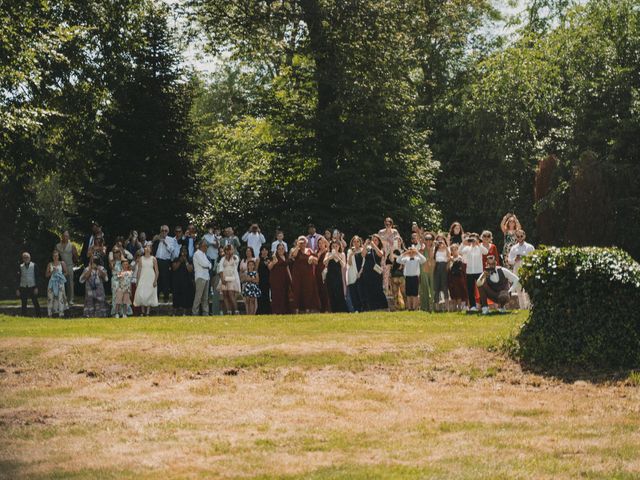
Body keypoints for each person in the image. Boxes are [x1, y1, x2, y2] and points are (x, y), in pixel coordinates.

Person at [289, 236, 320, 313]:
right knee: (297, 290)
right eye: (301, 242)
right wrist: (297, 246)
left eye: (304, 242)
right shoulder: (294, 249)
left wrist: (312, 258)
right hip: (297, 274)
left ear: (307, 243)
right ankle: (296, 309)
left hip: (308, 274)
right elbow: (293, 256)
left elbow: (316, 261)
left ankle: (307, 308)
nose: (303, 244)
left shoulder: (309, 250)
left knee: (308, 290)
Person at [460, 233, 489, 312]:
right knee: (470, 290)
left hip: (479, 271)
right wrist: (464, 242)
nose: (473, 241)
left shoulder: (479, 247)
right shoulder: (467, 248)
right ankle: (472, 306)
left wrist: (478, 244)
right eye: (471, 239)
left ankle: (484, 306)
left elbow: (486, 252)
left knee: (482, 289)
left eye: (474, 239)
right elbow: (460, 251)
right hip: (469, 272)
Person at [360, 235, 388, 311]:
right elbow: (363, 255)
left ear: (379, 242)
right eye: (373, 240)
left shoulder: (380, 249)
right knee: (368, 289)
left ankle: (383, 306)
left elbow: (380, 254)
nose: (374, 241)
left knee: (378, 289)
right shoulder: (368, 249)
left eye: (376, 240)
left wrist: (374, 246)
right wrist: (365, 244)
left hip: (376, 272)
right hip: (367, 272)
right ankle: (371, 307)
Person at [508, 229, 535, 309]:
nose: (519, 237)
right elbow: (509, 260)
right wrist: (515, 259)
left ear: (524, 236)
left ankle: (529, 306)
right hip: (516, 269)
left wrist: (524, 257)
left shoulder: (530, 247)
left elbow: (533, 258)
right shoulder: (513, 248)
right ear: (516, 237)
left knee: (527, 289)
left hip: (527, 269)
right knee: (519, 289)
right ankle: (522, 307)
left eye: (521, 236)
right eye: (518, 236)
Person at [152, 225, 177, 302]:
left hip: (165, 261)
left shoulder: (171, 239)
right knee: (157, 278)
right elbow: (152, 247)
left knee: (165, 279)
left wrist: (165, 242)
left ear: (168, 232)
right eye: (162, 230)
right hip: (157, 260)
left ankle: (166, 297)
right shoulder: (157, 238)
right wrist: (155, 240)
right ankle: (156, 295)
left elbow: (172, 250)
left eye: (165, 231)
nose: (164, 232)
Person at [133, 243, 159, 316]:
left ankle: (147, 311)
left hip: (150, 277)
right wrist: (137, 280)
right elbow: (139, 270)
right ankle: (142, 311)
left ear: (150, 250)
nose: (146, 249)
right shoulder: (141, 258)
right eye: (145, 247)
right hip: (143, 277)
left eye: (148, 247)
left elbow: (157, 271)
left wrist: (155, 280)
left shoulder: (153, 258)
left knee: (149, 293)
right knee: (142, 293)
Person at [398, 246, 427, 311]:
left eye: (412, 251)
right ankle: (409, 308)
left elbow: (424, 259)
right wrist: (405, 253)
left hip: (415, 277)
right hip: (408, 277)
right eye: (410, 251)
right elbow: (398, 260)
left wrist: (417, 252)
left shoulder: (417, 258)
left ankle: (414, 307)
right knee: (408, 293)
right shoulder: (406, 258)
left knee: (415, 293)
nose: (411, 252)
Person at [378, 217, 402, 295]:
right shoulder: (381, 232)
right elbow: (378, 242)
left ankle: (394, 295)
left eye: (389, 223)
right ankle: (385, 294)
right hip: (384, 255)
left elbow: (399, 242)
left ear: (392, 224)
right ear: (384, 223)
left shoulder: (395, 232)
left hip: (393, 255)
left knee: (393, 275)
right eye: (386, 223)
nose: (388, 225)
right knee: (385, 275)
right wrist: (387, 240)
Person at [324, 240, 348, 312]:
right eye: (333, 246)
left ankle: (341, 310)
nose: (334, 248)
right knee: (331, 293)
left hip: (338, 276)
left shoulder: (342, 254)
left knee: (339, 293)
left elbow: (344, 265)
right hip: (330, 276)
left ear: (339, 246)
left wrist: (337, 257)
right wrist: (331, 257)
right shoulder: (328, 254)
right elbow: (325, 263)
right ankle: (333, 310)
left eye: (336, 246)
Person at [55, 231, 78, 305]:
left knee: (70, 283)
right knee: (60, 283)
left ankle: (71, 299)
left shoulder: (72, 245)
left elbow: (76, 256)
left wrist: (74, 263)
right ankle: (61, 299)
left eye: (67, 236)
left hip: (69, 265)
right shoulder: (58, 245)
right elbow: (55, 255)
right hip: (60, 266)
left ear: (69, 237)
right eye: (64, 236)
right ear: (61, 236)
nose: (65, 237)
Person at [218, 244, 241, 315]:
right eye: (227, 250)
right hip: (224, 278)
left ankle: (236, 311)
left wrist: (231, 255)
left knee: (231, 294)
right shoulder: (222, 259)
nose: (228, 251)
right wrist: (222, 279)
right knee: (225, 294)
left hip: (232, 278)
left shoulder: (235, 257)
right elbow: (220, 268)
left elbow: (236, 261)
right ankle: (229, 311)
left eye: (230, 249)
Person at [268, 243, 291, 314]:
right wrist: (274, 262)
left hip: (285, 278)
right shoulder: (274, 257)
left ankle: (284, 311)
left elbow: (287, 268)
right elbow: (269, 267)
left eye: (282, 249)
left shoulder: (286, 257)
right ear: (277, 250)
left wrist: (291, 278)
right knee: (277, 295)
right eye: (279, 249)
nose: (281, 250)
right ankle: (276, 311)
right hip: (276, 279)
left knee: (284, 294)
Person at [17, 252, 41, 317]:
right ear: (23, 259)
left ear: (30, 258)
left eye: (27, 257)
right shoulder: (20, 266)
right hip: (23, 286)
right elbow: (18, 278)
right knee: (24, 302)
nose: (26, 259)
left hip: (32, 286)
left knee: (35, 301)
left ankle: (38, 315)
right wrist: (18, 289)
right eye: (24, 257)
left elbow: (37, 277)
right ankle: (24, 315)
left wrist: (36, 287)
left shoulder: (34, 265)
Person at [109, 247, 131, 316]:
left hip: (123, 280)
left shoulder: (124, 261)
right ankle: (116, 312)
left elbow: (128, 269)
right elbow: (112, 268)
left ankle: (124, 312)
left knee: (124, 296)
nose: (116, 254)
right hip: (115, 280)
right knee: (116, 296)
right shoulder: (112, 261)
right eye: (114, 252)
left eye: (117, 252)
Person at [172, 246, 195, 315]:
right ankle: (174, 312)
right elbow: (174, 268)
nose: (184, 253)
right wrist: (180, 261)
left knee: (186, 297)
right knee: (176, 297)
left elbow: (190, 270)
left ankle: (184, 313)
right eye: (182, 251)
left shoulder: (189, 260)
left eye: (185, 251)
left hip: (187, 282)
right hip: (177, 281)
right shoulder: (176, 259)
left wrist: (186, 261)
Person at [46, 250, 68, 317]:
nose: (55, 257)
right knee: (50, 297)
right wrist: (52, 272)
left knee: (61, 297)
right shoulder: (50, 264)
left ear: (58, 256)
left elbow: (66, 272)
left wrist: (60, 275)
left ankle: (61, 313)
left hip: (60, 282)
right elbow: (46, 275)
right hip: (52, 283)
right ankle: (50, 313)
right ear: (52, 257)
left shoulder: (62, 263)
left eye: (57, 256)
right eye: (54, 256)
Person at [192, 240, 212, 316]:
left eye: (207, 246)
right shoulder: (197, 254)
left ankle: (205, 313)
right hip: (200, 277)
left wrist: (208, 265)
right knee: (198, 297)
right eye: (205, 246)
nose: (206, 247)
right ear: (201, 246)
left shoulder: (204, 254)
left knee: (205, 298)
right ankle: (195, 313)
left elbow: (210, 265)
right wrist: (208, 265)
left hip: (206, 277)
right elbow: (204, 264)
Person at [346, 236, 365, 312]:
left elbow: (364, 262)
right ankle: (356, 309)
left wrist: (360, 272)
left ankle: (363, 308)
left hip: (361, 273)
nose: (356, 243)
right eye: (354, 241)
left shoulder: (363, 250)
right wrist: (351, 254)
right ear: (352, 243)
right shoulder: (350, 251)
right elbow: (349, 263)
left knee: (361, 292)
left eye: (358, 241)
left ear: (360, 242)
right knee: (353, 292)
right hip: (353, 274)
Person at [433, 234, 451, 312]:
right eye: (439, 241)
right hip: (437, 267)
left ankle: (447, 307)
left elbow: (449, 257)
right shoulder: (435, 249)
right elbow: (432, 258)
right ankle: (437, 307)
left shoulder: (447, 249)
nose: (440, 243)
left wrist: (445, 246)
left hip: (444, 267)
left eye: (441, 241)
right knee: (436, 287)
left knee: (445, 287)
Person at [447, 244, 468, 311]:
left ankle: (459, 307)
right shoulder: (449, 258)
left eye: (455, 250)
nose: (454, 251)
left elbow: (459, 265)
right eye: (452, 250)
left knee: (459, 292)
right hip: (451, 277)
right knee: (452, 292)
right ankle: (454, 307)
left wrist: (452, 260)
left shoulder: (460, 258)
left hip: (458, 277)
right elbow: (448, 268)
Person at [419, 232, 436, 312]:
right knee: (424, 288)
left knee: (433, 288)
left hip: (432, 270)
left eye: (430, 239)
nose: (428, 241)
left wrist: (430, 248)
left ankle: (432, 306)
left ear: (433, 240)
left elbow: (432, 257)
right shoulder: (422, 248)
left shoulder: (435, 248)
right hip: (424, 269)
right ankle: (424, 307)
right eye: (426, 239)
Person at [315, 236, 331, 312]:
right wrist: (320, 253)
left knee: (326, 290)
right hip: (317, 272)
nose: (320, 245)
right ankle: (321, 308)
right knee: (320, 290)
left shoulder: (328, 251)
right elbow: (315, 262)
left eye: (322, 243)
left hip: (325, 272)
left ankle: (328, 308)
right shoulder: (316, 252)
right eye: (319, 243)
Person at [256, 246, 272, 314]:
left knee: (267, 295)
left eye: (266, 250)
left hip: (268, 279)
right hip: (261, 279)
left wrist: (268, 263)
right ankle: (260, 311)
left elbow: (271, 269)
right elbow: (256, 270)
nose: (264, 251)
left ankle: (267, 311)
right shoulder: (258, 259)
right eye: (263, 250)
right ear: (261, 251)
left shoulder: (270, 259)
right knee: (260, 295)